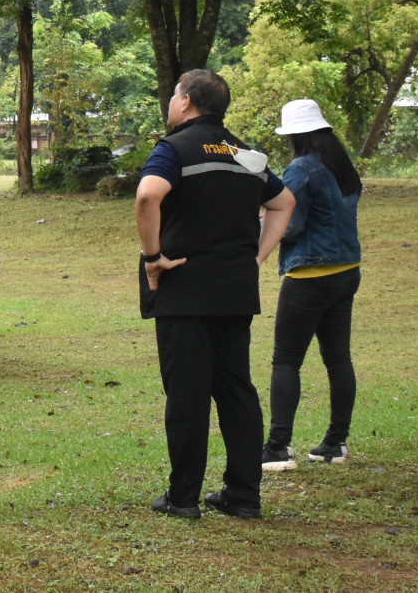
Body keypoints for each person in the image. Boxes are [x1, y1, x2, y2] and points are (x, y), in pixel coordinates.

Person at [136, 70, 295, 520]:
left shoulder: (174, 149)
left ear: (186, 101)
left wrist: (153, 257)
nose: (171, 102)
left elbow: (148, 196)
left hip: (184, 288)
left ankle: (183, 497)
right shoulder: (245, 154)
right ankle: (243, 496)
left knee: (187, 395)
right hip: (234, 290)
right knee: (236, 390)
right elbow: (284, 203)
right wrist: (256, 257)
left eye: (174, 95)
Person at [260, 98, 364, 472]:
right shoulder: (342, 166)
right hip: (346, 271)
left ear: (295, 136)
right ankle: (335, 443)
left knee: (286, 360)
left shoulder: (300, 169)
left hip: (310, 275)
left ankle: (277, 447)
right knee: (338, 359)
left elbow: (289, 225)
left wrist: (258, 222)